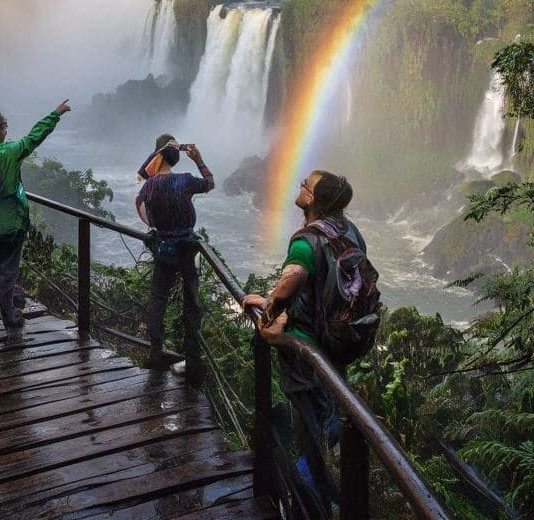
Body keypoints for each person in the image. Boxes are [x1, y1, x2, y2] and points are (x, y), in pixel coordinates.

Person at [241, 169, 366, 516]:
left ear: (312, 200)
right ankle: (316, 489)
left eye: (305, 186)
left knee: (308, 425)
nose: (300, 187)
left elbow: (291, 280)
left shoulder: (306, 240)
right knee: (328, 411)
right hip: (339, 342)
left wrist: (269, 314)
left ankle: (308, 498)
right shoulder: (350, 230)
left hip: (308, 348)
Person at [0, 100, 71, 338]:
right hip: (10, 224)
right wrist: (56, 113)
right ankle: (10, 318)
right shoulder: (10, 152)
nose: (7, 131)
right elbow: (35, 136)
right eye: (4, 127)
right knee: (6, 271)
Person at [134, 134, 214, 383]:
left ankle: (155, 350)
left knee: (158, 299)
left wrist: (155, 226)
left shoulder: (150, 185)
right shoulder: (185, 181)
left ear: (157, 156)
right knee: (192, 303)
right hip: (187, 250)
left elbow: (139, 204)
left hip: (164, 249)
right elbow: (209, 183)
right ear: (177, 156)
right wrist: (199, 160)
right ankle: (192, 361)